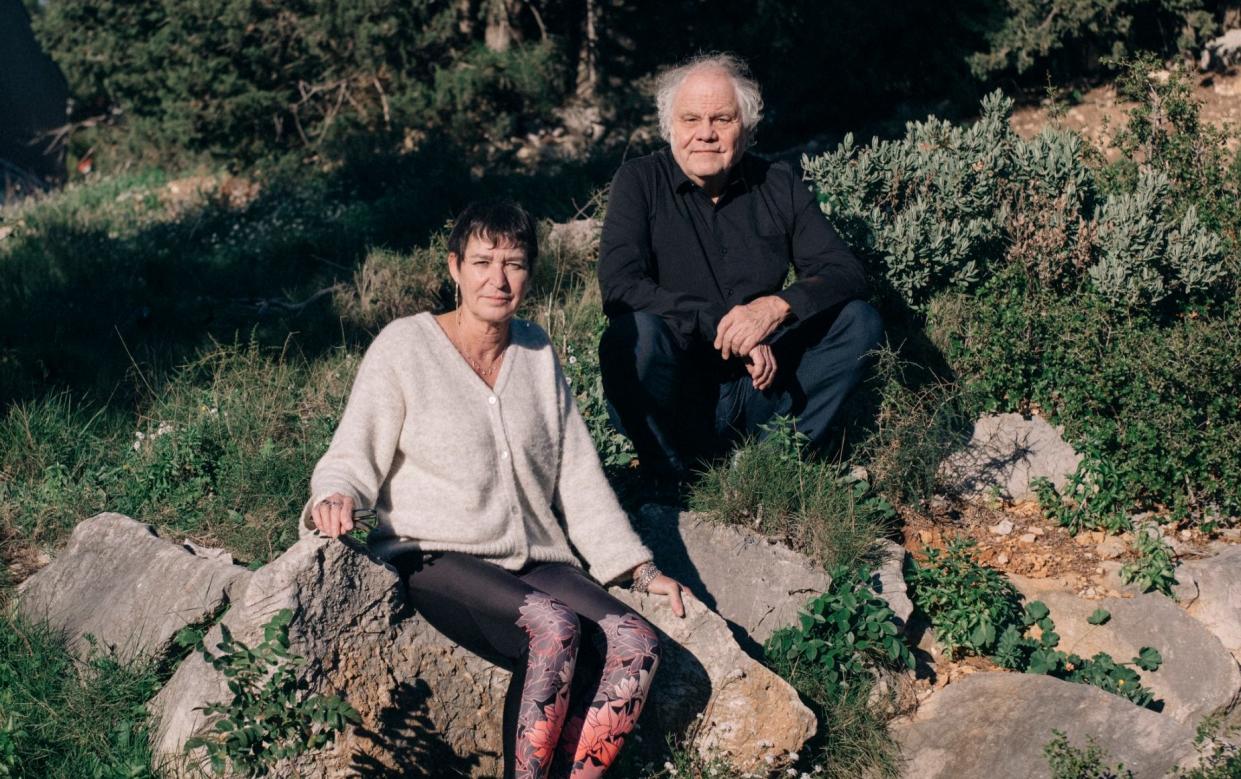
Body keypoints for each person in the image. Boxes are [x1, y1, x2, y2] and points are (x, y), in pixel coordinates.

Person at [301, 200, 686, 779]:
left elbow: (577, 472)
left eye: (515, 264)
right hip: (437, 555)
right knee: (553, 628)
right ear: (454, 268)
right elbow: (353, 453)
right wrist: (335, 497)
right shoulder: (405, 347)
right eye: (483, 262)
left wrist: (636, 568)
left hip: (534, 558)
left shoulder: (536, 353)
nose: (498, 279)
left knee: (636, 643)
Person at [597, 53, 883, 480]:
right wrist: (720, 325)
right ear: (669, 127)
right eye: (691, 119)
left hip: (763, 389)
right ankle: (669, 473)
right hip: (679, 392)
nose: (705, 134)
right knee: (631, 337)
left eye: (722, 119)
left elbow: (845, 271)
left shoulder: (778, 182)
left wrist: (774, 308)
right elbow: (619, 286)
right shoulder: (639, 181)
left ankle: (773, 465)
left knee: (859, 322)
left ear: (746, 127)